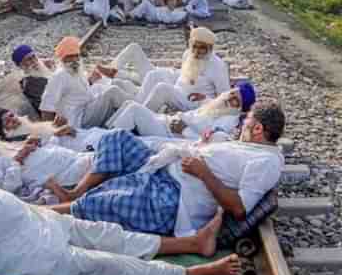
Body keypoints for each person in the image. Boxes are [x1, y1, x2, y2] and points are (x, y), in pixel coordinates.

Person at [0, 140, 241, 275]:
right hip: (17, 254)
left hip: (35, 222)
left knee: (106, 233)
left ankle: (190, 242)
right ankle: (189, 274)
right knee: (102, 263)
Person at [46, 100, 286, 238]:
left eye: (246, 124)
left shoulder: (266, 163)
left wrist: (204, 172)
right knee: (116, 138)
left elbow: (239, 209)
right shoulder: (254, 149)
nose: (242, 128)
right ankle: (77, 192)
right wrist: (206, 144)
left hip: (174, 196)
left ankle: (41, 212)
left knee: (102, 201)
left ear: (257, 129)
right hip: (165, 168)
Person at [0, 123, 93, 195]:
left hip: (73, 159)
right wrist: (18, 158)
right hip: (65, 173)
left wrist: (34, 143)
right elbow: (6, 187)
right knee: (106, 150)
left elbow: (29, 153)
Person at [114, 29, 230, 113]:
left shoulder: (218, 66)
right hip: (179, 90)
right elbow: (184, 75)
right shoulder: (188, 54)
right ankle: (137, 105)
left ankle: (139, 113)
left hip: (193, 102)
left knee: (162, 88)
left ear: (210, 48)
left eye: (202, 48)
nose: (196, 51)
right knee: (153, 74)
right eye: (194, 46)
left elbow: (225, 96)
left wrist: (206, 100)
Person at [107, 82, 256, 141]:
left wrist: (184, 130)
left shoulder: (228, 121)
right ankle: (105, 132)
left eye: (236, 100)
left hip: (171, 134)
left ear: (239, 108)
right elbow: (211, 110)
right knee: (128, 103)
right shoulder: (221, 106)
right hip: (167, 122)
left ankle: (103, 144)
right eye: (231, 93)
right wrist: (205, 99)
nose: (230, 99)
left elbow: (208, 144)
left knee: (134, 109)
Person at [39, 37, 131, 129]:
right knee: (112, 91)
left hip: (87, 109)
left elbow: (77, 91)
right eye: (70, 57)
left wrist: (90, 81)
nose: (74, 59)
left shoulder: (76, 70)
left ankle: (133, 109)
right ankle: (139, 106)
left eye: (76, 55)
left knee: (114, 84)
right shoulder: (59, 76)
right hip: (79, 121)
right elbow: (46, 107)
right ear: (62, 59)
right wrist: (51, 134)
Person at [0, 107, 113, 153]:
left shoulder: (27, 126)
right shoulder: (16, 142)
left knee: (110, 134)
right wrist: (57, 133)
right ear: (4, 130)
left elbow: (45, 132)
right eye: (7, 121)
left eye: (11, 115)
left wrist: (56, 125)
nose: (12, 120)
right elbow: (44, 151)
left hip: (79, 136)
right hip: (76, 148)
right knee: (112, 138)